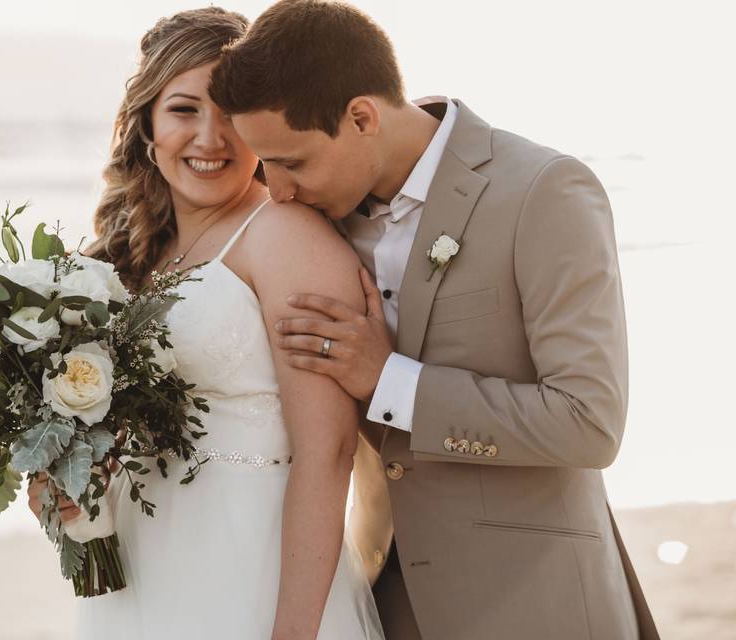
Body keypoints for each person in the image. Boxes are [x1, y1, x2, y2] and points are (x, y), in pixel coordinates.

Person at [208, 1, 659, 638]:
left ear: (362, 116)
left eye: (292, 162)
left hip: (532, 600)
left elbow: (589, 422)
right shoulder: (318, 223)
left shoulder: (543, 191)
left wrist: (389, 380)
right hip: (383, 597)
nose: (275, 190)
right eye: (264, 165)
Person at [27, 7, 383, 639]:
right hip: (141, 570)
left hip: (251, 570)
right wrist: (69, 487)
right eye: (185, 110)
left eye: (228, 115)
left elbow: (327, 454)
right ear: (147, 125)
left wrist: (294, 633)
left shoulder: (287, 240)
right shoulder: (125, 253)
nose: (210, 139)